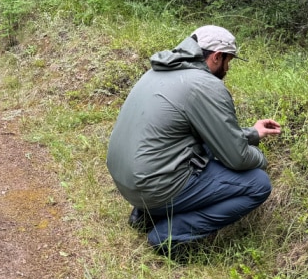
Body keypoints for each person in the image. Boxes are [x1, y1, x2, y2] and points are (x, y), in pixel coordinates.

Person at [105, 25, 282, 257]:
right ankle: (170, 234)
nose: (228, 67)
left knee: (199, 148)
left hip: (126, 180)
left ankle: (145, 214)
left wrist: (251, 134)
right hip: (152, 188)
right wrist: (262, 160)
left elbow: (207, 132)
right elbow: (237, 158)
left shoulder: (160, 70)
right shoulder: (206, 85)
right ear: (217, 57)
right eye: (229, 60)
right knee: (258, 183)